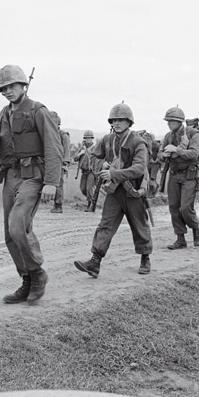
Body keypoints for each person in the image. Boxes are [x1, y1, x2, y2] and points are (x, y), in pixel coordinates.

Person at [0, 64, 62, 305]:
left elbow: (53, 146)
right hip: (11, 175)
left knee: (18, 225)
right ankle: (27, 279)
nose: (8, 91)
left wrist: (52, 182)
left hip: (33, 175)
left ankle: (38, 273)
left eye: (12, 86)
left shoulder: (38, 111)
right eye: (4, 88)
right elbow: (5, 145)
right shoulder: (3, 113)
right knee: (9, 233)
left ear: (23, 86)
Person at [73, 103, 153, 277]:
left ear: (129, 121)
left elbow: (139, 168)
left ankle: (145, 257)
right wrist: (103, 164)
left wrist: (114, 173)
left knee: (139, 224)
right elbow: (94, 158)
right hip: (114, 191)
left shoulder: (138, 141)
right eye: (114, 120)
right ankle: (95, 262)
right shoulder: (107, 140)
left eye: (120, 120)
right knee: (106, 224)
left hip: (133, 190)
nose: (116, 123)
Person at [161, 107, 199, 248]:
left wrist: (176, 150)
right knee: (174, 207)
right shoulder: (168, 136)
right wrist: (163, 155)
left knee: (185, 207)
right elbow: (159, 155)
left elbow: (194, 154)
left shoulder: (193, 134)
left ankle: (196, 229)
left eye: (171, 121)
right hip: (174, 174)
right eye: (167, 121)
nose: (168, 123)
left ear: (179, 121)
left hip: (189, 175)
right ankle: (180, 239)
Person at [50, 110, 73, 213]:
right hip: (51, 163)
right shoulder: (50, 134)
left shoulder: (63, 135)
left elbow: (67, 151)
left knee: (58, 185)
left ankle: (58, 205)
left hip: (60, 164)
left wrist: (65, 164)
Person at [74, 129, 99, 209]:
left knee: (89, 188)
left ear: (92, 138)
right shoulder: (81, 148)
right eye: (86, 138)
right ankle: (91, 199)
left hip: (91, 171)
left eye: (89, 138)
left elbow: (99, 159)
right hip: (84, 171)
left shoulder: (95, 148)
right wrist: (80, 154)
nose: (88, 140)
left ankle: (90, 205)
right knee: (83, 188)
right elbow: (74, 159)